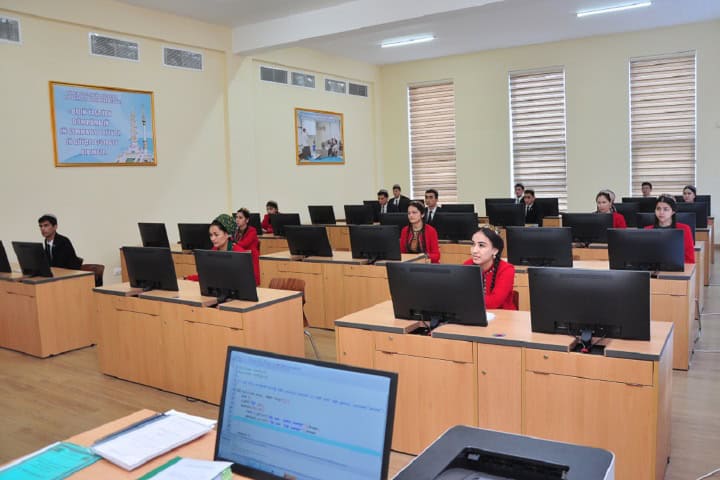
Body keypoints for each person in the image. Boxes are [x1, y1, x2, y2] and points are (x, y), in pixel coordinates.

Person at [187, 214, 260, 284]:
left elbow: (252, 281)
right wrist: (187, 278)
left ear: (227, 234)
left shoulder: (239, 253)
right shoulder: (213, 251)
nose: (212, 239)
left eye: (216, 235)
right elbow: (207, 275)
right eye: (211, 235)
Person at [463, 228, 517, 310]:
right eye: (473, 244)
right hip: (474, 313)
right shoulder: (467, 265)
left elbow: (494, 302)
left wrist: (467, 300)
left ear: (495, 251)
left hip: (503, 317)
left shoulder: (507, 269)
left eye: (481, 245)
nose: (474, 250)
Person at [644, 195, 694, 264]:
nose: (661, 212)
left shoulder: (684, 229)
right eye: (658, 209)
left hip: (677, 270)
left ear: (673, 212)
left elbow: (690, 259)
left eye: (665, 209)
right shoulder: (647, 230)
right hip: (653, 269)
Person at [234, 208, 261, 285]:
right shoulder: (236, 231)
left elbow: (244, 244)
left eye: (240, 217)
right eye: (236, 217)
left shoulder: (252, 230)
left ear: (247, 220)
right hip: (241, 258)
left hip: (251, 259)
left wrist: (233, 243)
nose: (237, 220)